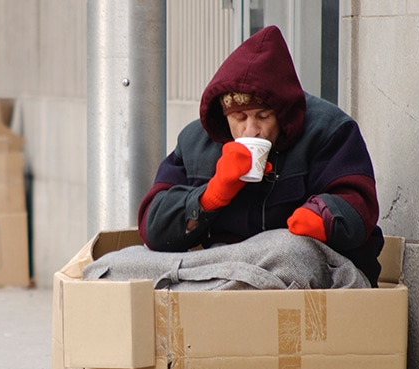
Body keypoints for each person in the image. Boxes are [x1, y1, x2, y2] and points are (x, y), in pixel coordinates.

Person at [136, 25, 384, 287]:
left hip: (304, 267)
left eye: (263, 117)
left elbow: (360, 204)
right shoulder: (195, 141)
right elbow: (152, 227)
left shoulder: (329, 130)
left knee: (288, 251)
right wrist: (210, 197)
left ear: (282, 112)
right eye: (239, 118)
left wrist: (324, 216)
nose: (251, 130)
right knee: (126, 264)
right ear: (224, 115)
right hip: (227, 266)